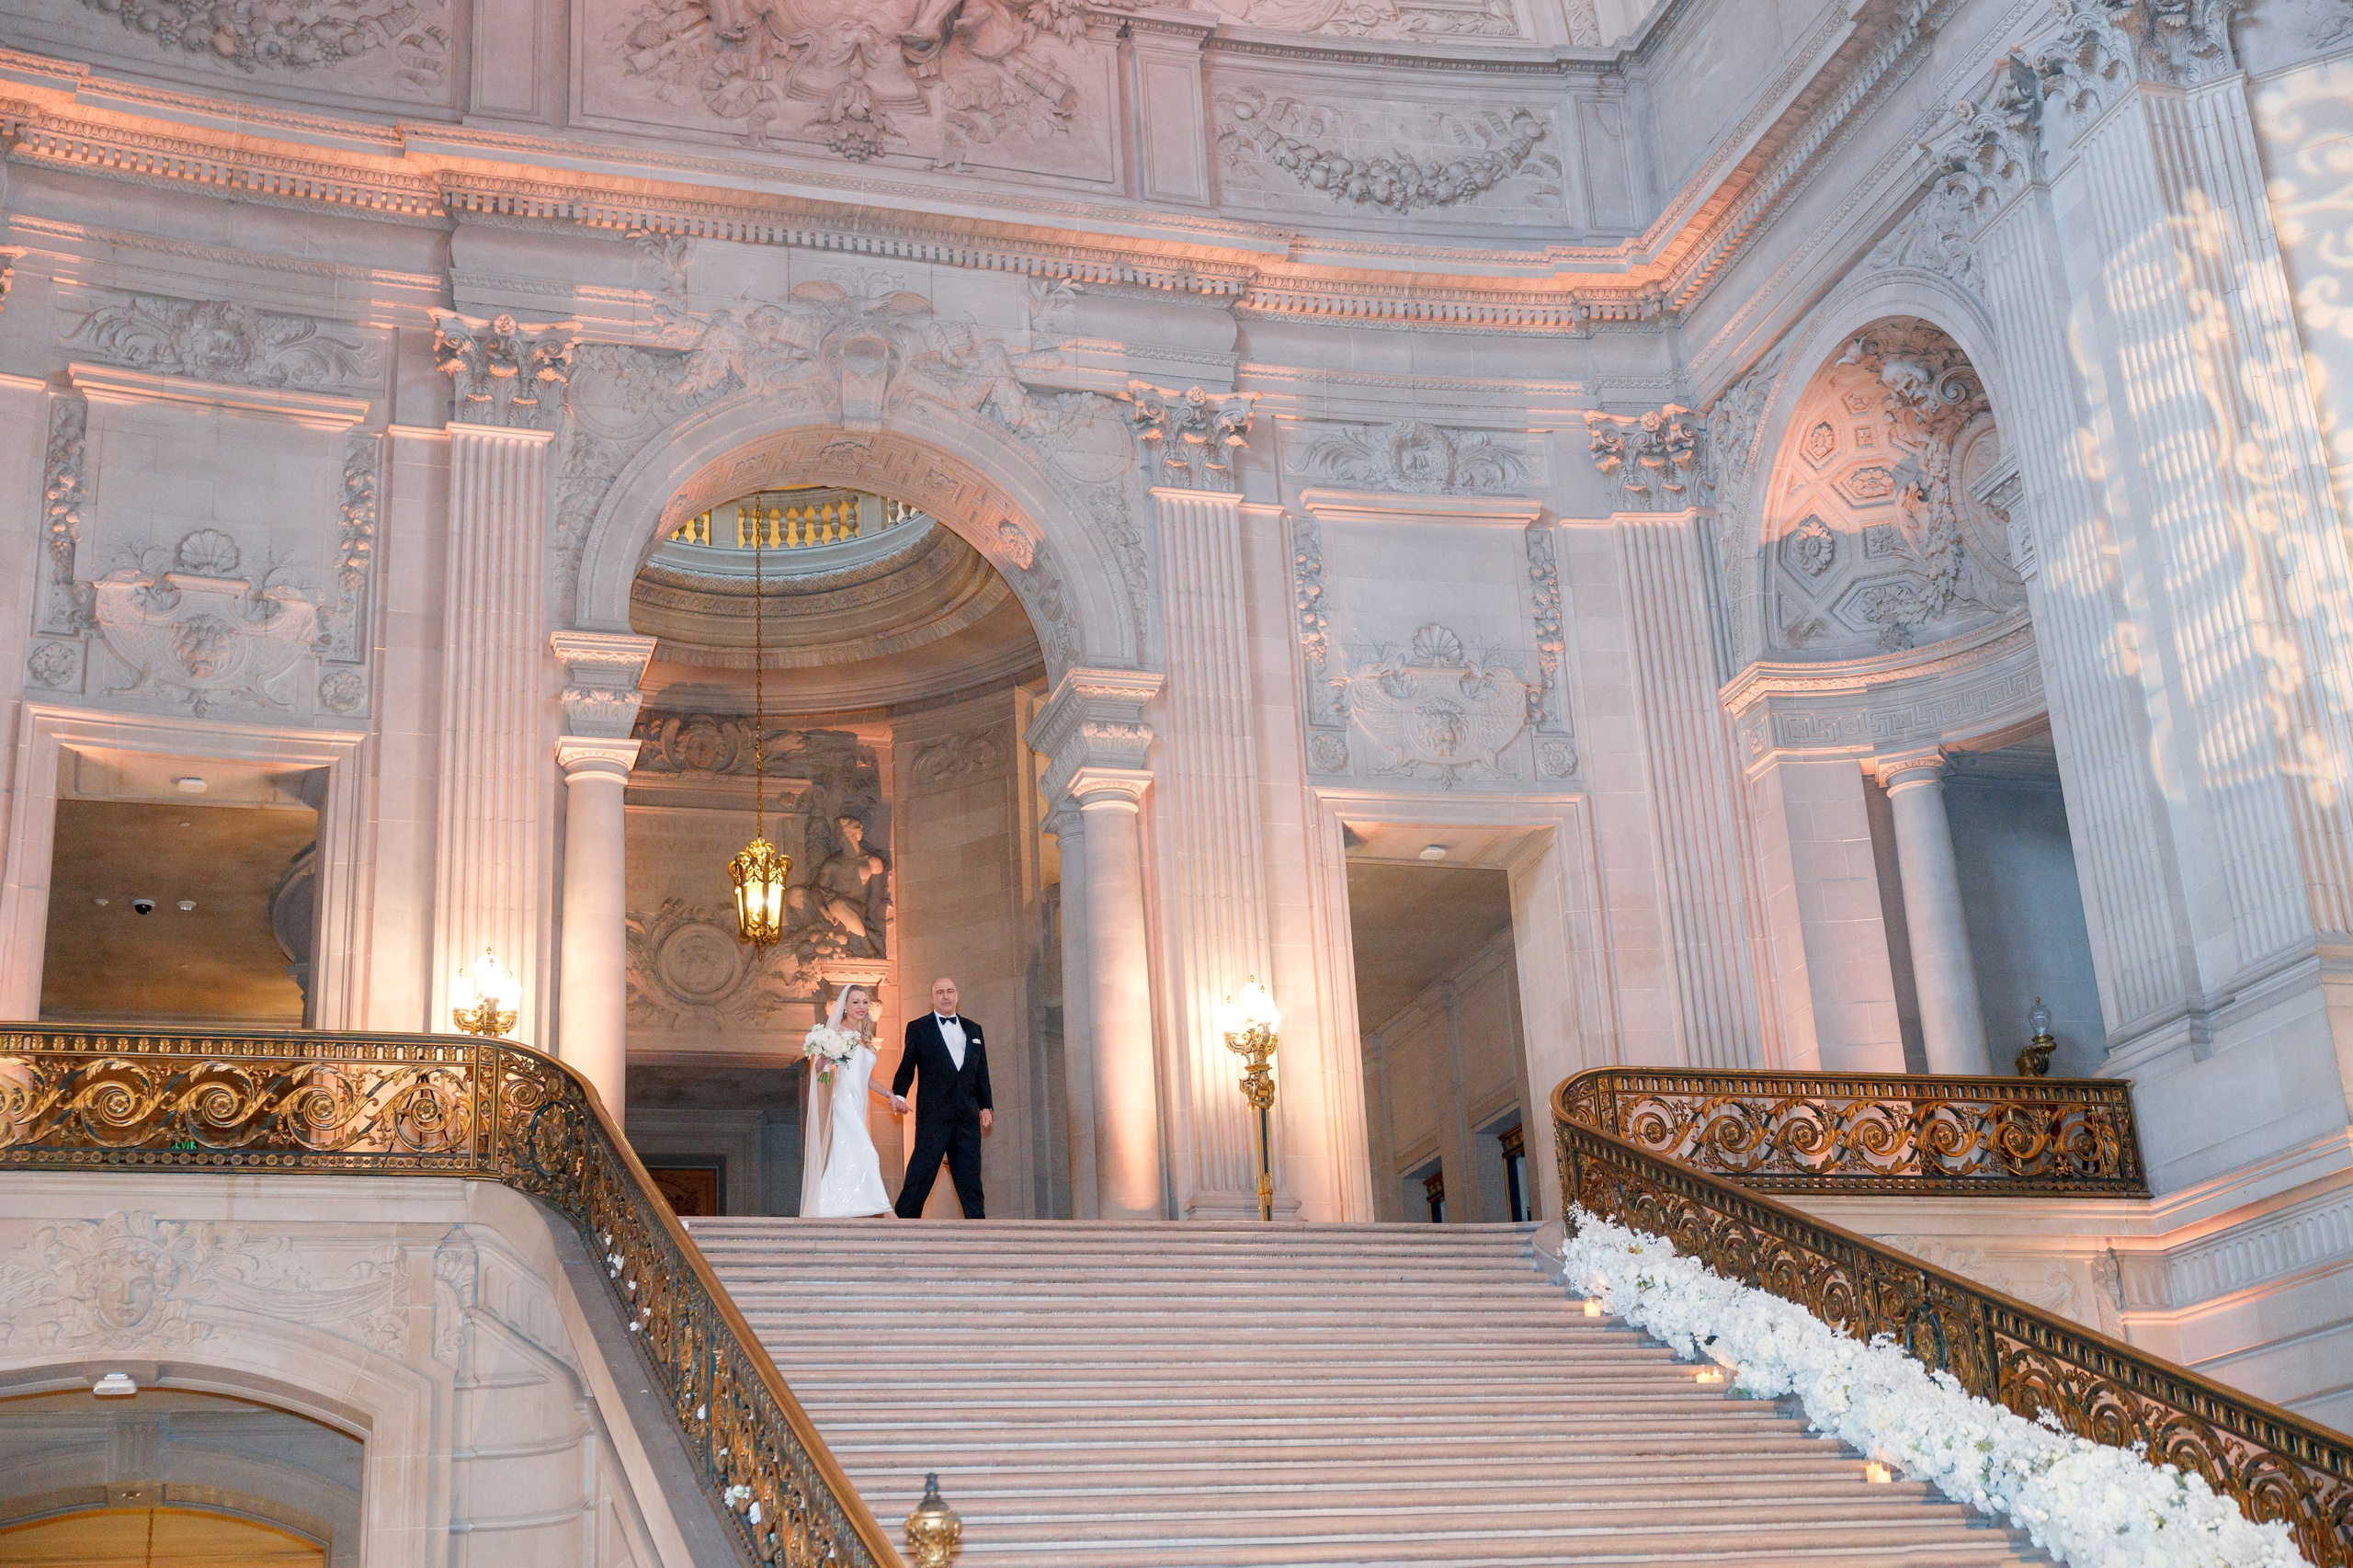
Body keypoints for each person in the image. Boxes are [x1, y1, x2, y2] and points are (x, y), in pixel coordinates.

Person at [890, 976, 991, 1218]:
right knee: (921, 1172)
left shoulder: (974, 1029)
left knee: (970, 1177)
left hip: (966, 1116)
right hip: (933, 1115)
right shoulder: (918, 1027)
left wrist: (986, 1106)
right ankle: (903, 1222)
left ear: (957, 995)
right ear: (931, 998)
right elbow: (907, 1065)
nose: (946, 996)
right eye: (940, 992)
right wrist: (899, 1094)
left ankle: (978, 1229)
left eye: (950, 991)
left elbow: (981, 1071)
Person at [798, 984, 893, 1218]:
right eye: (855, 1002)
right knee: (869, 1152)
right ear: (845, 1007)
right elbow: (821, 1068)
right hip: (844, 1101)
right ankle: (887, 1212)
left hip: (860, 1103)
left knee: (845, 1154)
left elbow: (866, 1077)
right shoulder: (837, 1032)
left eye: (864, 1002)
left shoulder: (864, 1036)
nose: (861, 1007)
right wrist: (825, 1058)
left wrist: (889, 1095)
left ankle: (828, 1204)